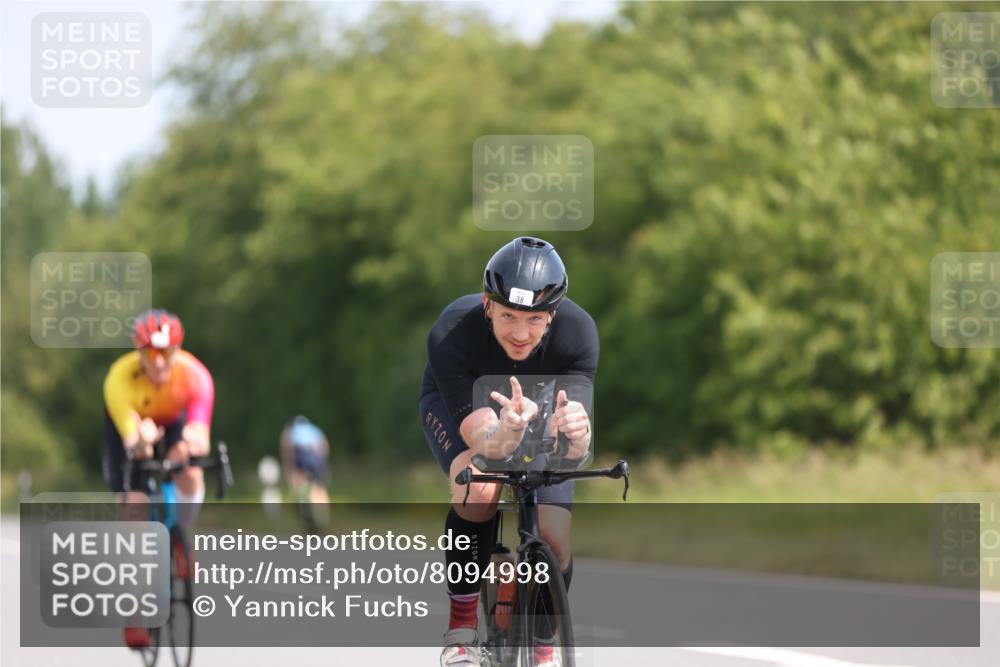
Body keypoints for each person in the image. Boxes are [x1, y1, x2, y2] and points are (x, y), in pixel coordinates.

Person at [421, 237, 597, 667]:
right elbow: (485, 443)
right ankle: (461, 629)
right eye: (508, 317)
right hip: (470, 411)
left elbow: (575, 450)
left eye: (535, 320)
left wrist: (577, 431)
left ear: (552, 315)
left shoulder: (578, 333)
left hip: (538, 407)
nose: (520, 334)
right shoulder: (452, 331)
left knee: (554, 536)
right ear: (487, 305)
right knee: (479, 489)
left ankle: (542, 644)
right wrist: (506, 434)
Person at [102, 309, 215, 649]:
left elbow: (200, 431)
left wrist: (190, 443)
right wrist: (140, 439)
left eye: (167, 352)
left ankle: (180, 537)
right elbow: (132, 441)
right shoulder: (119, 378)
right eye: (152, 353)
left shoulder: (195, 376)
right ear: (140, 352)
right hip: (133, 430)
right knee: (135, 507)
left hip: (174, 423)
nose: (160, 361)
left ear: (178, 351)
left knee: (192, 473)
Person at [280, 415, 331, 505]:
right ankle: (323, 511)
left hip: (302, 454)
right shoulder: (314, 429)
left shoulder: (291, 430)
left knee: (299, 479)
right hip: (318, 457)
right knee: (319, 486)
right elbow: (325, 447)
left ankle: (302, 504)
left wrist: (290, 469)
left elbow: (288, 450)